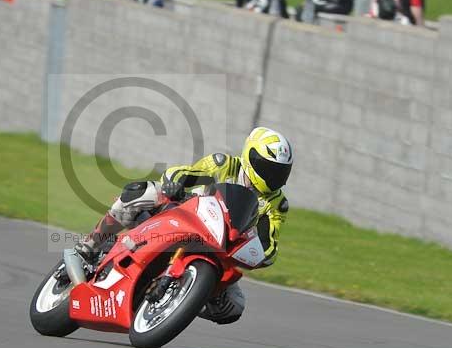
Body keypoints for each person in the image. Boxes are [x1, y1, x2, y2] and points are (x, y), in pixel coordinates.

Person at [73, 127, 293, 325]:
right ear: (250, 157)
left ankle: (183, 298)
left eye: (280, 172)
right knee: (143, 191)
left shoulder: (277, 204)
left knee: (234, 306)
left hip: (220, 250)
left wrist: (257, 254)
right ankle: (90, 246)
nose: (274, 177)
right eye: (268, 168)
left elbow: (270, 245)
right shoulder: (223, 164)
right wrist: (176, 182)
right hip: (183, 215)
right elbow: (186, 173)